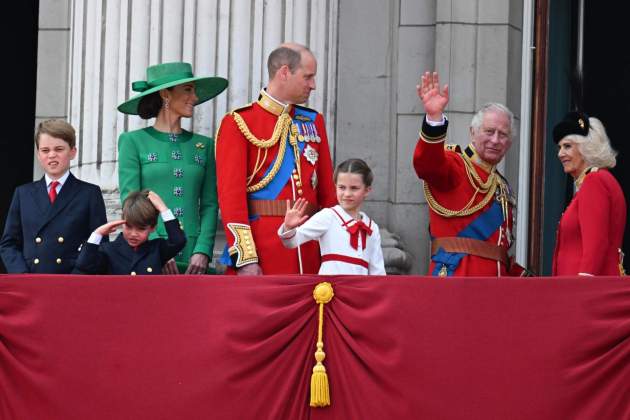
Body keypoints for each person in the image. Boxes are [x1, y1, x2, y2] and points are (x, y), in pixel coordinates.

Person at [215, 43, 337, 275]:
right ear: (284, 73)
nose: (313, 85)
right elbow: (231, 198)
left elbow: (328, 195)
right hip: (266, 250)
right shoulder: (239, 123)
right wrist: (245, 258)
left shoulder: (313, 122)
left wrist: (334, 252)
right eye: (308, 77)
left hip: (311, 249)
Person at [117, 62, 227, 274]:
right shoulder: (133, 141)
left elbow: (210, 204)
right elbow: (130, 201)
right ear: (165, 94)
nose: (195, 98)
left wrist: (203, 250)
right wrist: (158, 247)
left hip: (193, 254)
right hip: (150, 251)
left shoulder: (204, 145)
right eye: (188, 90)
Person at [413, 71, 527, 276]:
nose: (495, 140)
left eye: (502, 135)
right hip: (458, 279)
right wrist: (434, 119)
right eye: (489, 131)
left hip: (494, 288)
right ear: (472, 133)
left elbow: (498, 251)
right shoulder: (455, 166)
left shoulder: (500, 185)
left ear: (509, 143)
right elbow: (427, 164)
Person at [0, 119, 108, 273]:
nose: (51, 155)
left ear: (72, 152)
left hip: (71, 282)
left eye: (58, 149)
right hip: (31, 282)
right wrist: (22, 276)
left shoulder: (89, 194)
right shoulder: (22, 194)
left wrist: (78, 276)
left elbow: (99, 244)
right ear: (38, 154)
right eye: (45, 150)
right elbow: (8, 244)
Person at [278, 158, 385, 275]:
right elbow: (292, 242)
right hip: (330, 290)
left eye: (354, 188)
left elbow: (378, 273)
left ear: (367, 191)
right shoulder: (328, 216)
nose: (347, 194)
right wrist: (288, 228)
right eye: (342, 187)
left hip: (360, 291)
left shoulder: (372, 228)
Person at [551, 111, 626, 276]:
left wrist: (583, 289)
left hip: (586, 292)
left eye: (567, 146)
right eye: (560, 147)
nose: (560, 153)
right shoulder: (594, 182)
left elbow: (596, 245)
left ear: (587, 147)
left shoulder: (595, 182)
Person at [75, 190, 186, 275]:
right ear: (122, 222)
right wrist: (97, 234)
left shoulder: (156, 249)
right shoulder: (108, 250)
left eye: (141, 229)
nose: (133, 234)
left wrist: (163, 208)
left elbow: (178, 241)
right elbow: (84, 265)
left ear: (152, 228)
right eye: (128, 226)